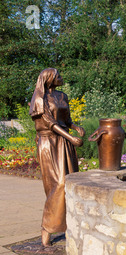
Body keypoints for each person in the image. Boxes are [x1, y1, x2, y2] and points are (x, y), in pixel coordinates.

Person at [29, 68, 85, 246]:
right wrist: (71, 137)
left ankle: (68, 226)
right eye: (58, 76)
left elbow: (65, 120)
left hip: (64, 143)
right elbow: (49, 123)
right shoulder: (40, 98)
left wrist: (75, 127)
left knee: (69, 183)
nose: (61, 77)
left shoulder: (63, 96)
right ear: (49, 79)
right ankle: (47, 228)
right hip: (49, 143)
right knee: (57, 185)